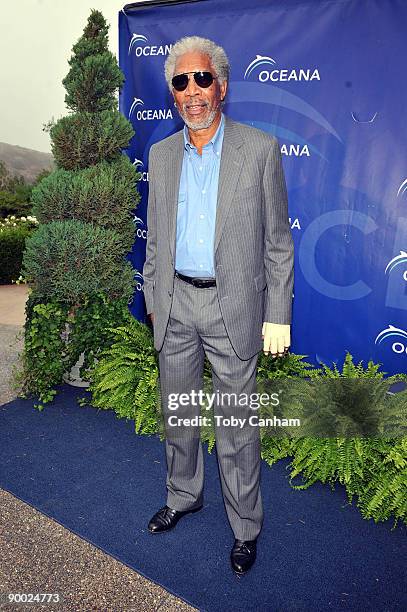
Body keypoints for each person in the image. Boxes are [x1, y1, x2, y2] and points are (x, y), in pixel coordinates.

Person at [142, 35, 294, 575]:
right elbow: (156, 238)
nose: (192, 91)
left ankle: (245, 526)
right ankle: (183, 496)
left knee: (235, 427)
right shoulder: (160, 156)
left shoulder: (258, 149)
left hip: (234, 311)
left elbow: (278, 243)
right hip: (177, 303)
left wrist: (277, 313)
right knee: (177, 415)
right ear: (174, 95)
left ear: (222, 87)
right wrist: (155, 299)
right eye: (180, 82)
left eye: (201, 78)